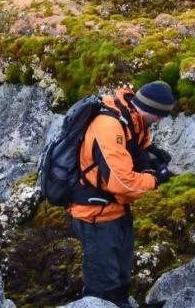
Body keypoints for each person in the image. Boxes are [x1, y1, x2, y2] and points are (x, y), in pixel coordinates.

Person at [68, 80, 175, 308]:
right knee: (103, 287)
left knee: (121, 280)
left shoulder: (132, 119)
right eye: (160, 115)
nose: (160, 120)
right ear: (151, 109)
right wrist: (155, 179)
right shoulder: (110, 126)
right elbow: (121, 182)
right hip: (94, 214)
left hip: (116, 210)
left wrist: (149, 160)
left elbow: (138, 149)